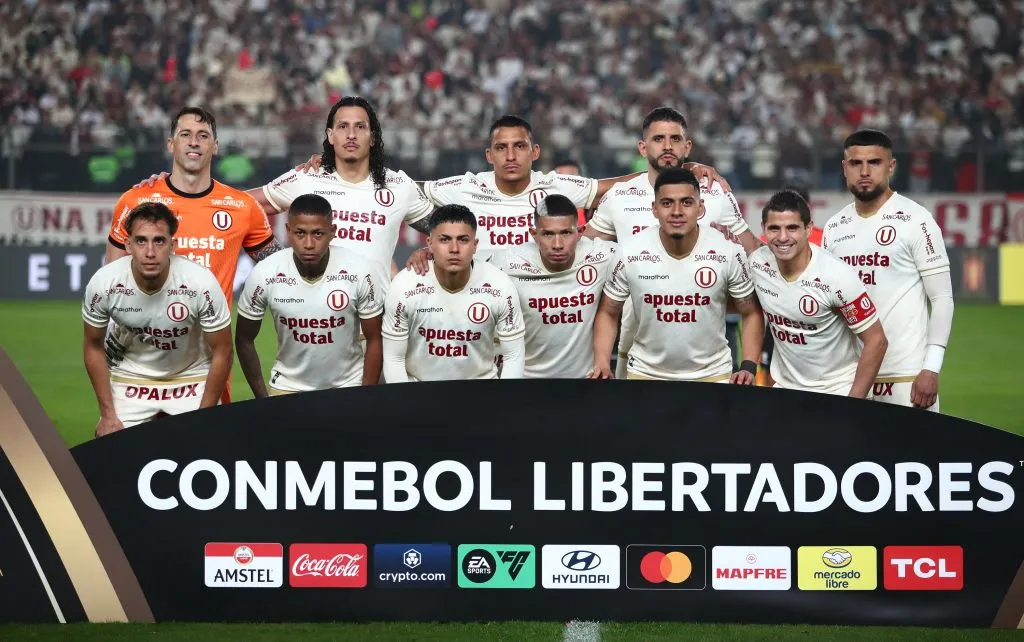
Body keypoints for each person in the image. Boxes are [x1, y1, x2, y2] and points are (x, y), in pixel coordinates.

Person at [107, 107, 279, 403]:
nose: (194, 142)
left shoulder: (241, 207)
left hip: (207, 364)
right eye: (185, 135)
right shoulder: (137, 200)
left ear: (216, 146)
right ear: (171, 144)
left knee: (202, 449)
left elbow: (281, 270)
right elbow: (111, 278)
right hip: (142, 360)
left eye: (203, 136)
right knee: (136, 448)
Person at [400, 114, 731, 265]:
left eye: (520, 146)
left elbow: (606, 189)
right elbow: (408, 190)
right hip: (483, 302)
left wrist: (680, 170)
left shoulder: (553, 185)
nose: (511, 155)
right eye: (502, 148)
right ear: (490, 155)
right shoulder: (466, 186)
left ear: (536, 152)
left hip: (543, 302)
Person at [584, 107, 755, 379]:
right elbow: (582, 250)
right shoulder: (619, 196)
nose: (667, 146)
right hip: (636, 338)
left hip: (703, 349)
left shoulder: (714, 193)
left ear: (687, 147)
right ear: (643, 147)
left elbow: (753, 252)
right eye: (658, 139)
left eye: (675, 139)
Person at [822, 130, 954, 411]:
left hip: (907, 379)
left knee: (913, 456)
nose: (865, 171)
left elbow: (942, 298)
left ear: (891, 166)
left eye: (875, 162)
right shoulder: (834, 227)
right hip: (849, 381)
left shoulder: (916, 220)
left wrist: (931, 368)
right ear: (845, 169)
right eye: (856, 164)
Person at [83, 203, 233, 437]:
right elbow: (93, 347)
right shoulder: (105, 284)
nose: (150, 252)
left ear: (172, 245)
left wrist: (205, 417)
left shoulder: (200, 283)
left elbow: (223, 350)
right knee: (109, 452)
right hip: (132, 378)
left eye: (159, 241)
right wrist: (107, 415)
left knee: (211, 445)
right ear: (128, 245)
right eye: (141, 241)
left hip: (191, 376)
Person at [235, 194, 384, 397]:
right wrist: (263, 399)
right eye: (300, 233)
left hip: (348, 387)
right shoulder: (265, 272)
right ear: (288, 231)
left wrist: (365, 396)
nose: (308, 243)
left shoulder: (360, 271)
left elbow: (375, 338)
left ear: (332, 232)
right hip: (287, 387)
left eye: (318, 234)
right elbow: (244, 339)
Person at [749, 190, 888, 397]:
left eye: (792, 228)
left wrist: (854, 403)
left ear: (808, 229)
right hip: (786, 390)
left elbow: (877, 340)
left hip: (837, 391)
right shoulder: (758, 263)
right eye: (774, 229)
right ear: (763, 229)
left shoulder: (836, 276)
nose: (783, 237)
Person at [382, 205, 526, 382]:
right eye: (444, 240)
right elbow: (393, 359)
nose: (454, 249)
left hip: (483, 395)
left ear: (475, 245)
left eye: (463, 240)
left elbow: (514, 356)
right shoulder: (404, 286)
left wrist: (502, 404)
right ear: (430, 244)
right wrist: (406, 405)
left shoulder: (500, 285)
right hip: (419, 395)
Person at [487, 194, 617, 378]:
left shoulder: (602, 255)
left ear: (580, 232)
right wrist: (429, 254)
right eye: (548, 234)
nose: (557, 245)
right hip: (526, 383)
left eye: (566, 233)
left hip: (584, 382)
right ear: (534, 234)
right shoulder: (505, 262)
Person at [757, 185, 822, 386]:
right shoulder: (766, 246)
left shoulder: (824, 239)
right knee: (770, 371)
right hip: (777, 323)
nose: (783, 236)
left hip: (812, 321)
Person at [552, 158, 589, 226]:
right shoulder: (544, 209)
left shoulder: (593, 210)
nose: (567, 183)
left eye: (571, 179)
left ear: (581, 179)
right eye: (561, 178)